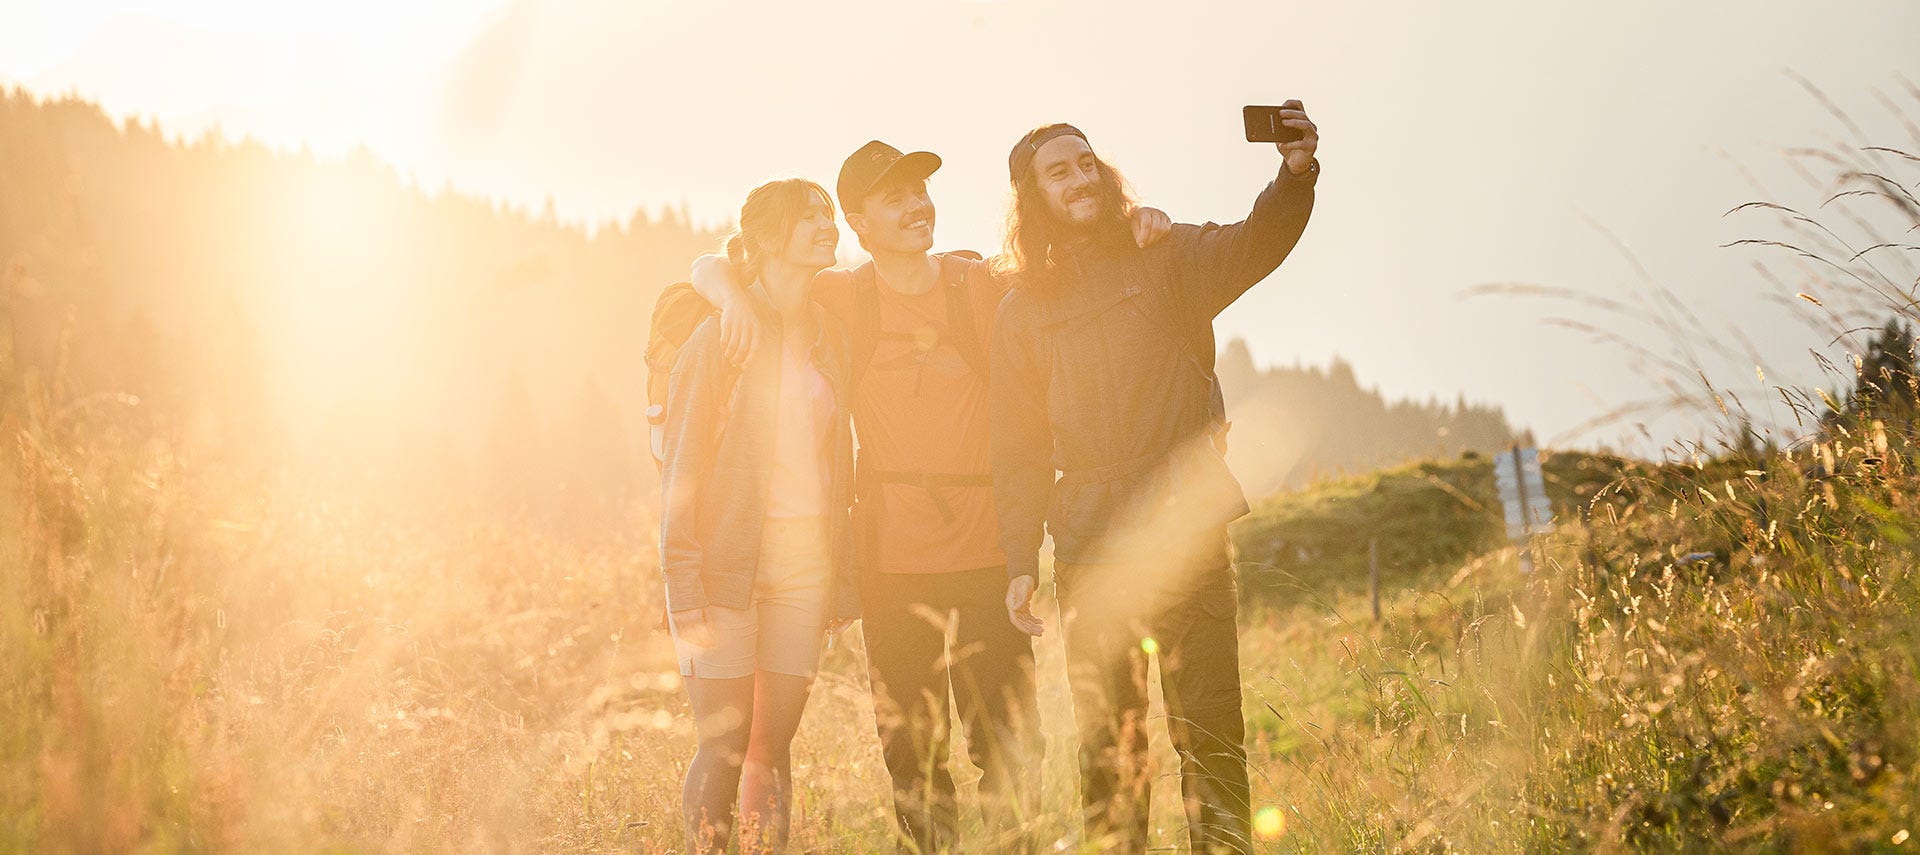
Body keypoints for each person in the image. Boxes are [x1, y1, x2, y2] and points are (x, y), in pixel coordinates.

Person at [687, 141, 1172, 852]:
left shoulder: (977, 282)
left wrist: (1135, 224)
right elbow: (720, 266)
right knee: (911, 758)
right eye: (896, 198)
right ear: (859, 222)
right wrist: (726, 291)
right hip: (890, 563)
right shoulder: (843, 296)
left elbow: (1062, 264)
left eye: (921, 191)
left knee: (1010, 746)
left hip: (985, 555)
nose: (918, 205)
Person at [990, 102, 1320, 854]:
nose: (1077, 179)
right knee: (1110, 752)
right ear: (1032, 197)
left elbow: (1253, 243)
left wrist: (1294, 177)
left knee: (1210, 735)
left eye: (1084, 163)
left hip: (1185, 532)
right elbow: (1017, 449)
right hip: (1088, 547)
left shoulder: (1165, 258)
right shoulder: (1020, 313)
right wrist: (1018, 560)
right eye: (1057, 172)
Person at [658, 177, 858, 853]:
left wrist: (842, 576)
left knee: (772, 748)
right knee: (724, 747)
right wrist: (682, 591)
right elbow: (681, 473)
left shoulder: (832, 332)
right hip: (725, 571)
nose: (828, 227)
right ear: (770, 238)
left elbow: (838, 465)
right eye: (811, 218)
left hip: (805, 570)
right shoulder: (719, 339)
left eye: (829, 215)